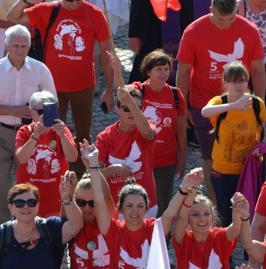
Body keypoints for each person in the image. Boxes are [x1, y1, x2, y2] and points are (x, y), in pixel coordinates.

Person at [8, 0, 114, 177]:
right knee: (53, 133)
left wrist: (109, 90)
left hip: (84, 86)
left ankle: (78, 179)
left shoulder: (95, 14)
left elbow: (107, 55)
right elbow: (12, 18)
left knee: (83, 136)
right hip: (52, 89)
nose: (74, 4)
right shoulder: (48, 10)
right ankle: (56, 176)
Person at [176, 0, 266, 205]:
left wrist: (258, 104)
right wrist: (182, 105)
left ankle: (245, 199)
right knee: (211, 157)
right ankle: (216, 204)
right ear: (210, 11)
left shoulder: (249, 30)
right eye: (220, 19)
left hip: (241, 103)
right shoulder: (194, 31)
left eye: (232, 18)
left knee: (244, 152)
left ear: (238, 9)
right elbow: (184, 71)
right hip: (203, 102)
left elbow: (257, 70)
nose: (226, 24)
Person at [0, 25, 56, 224]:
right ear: (6, 45)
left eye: (24, 45)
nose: (20, 50)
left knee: (30, 182)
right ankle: (4, 227)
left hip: (32, 133)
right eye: (15, 46)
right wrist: (14, 111)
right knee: (0, 184)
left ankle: (32, 225)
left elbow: (51, 101)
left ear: (30, 46)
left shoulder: (40, 69)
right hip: (1, 132)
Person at [84, 141, 205, 266]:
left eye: (140, 206)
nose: (135, 210)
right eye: (129, 206)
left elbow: (170, 213)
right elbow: (99, 199)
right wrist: (93, 163)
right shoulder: (114, 231)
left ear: (147, 209)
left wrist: (184, 187)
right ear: (120, 209)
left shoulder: (153, 229)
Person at [200, 61, 266, 226]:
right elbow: (204, 112)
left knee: (249, 219)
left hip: (248, 172)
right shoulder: (219, 102)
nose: (239, 85)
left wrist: (260, 150)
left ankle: (249, 250)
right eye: (234, 81)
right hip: (223, 172)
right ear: (225, 83)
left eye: (242, 80)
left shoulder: (257, 104)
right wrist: (234, 105)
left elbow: (262, 133)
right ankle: (224, 251)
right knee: (224, 217)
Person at [0, 181, 84, 269]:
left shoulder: (50, 228)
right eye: (19, 203)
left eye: (31, 202)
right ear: (11, 208)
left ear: (37, 206)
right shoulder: (2, 234)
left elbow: (76, 225)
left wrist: (66, 198)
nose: (26, 207)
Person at [128, 51, 186, 215]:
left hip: (166, 159)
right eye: (158, 69)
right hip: (139, 157)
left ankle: (161, 237)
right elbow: (123, 94)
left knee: (162, 205)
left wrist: (183, 156)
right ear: (148, 71)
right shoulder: (138, 90)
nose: (163, 73)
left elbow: (181, 128)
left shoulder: (175, 94)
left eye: (166, 69)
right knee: (136, 201)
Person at [95, 82, 157, 213]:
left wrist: (129, 102)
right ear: (117, 110)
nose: (132, 112)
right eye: (127, 108)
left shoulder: (146, 127)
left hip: (146, 204)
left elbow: (148, 132)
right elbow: (93, 175)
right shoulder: (105, 137)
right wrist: (111, 170)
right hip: (117, 207)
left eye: (135, 108)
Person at [15, 91, 78, 217]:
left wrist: (62, 136)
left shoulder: (62, 131)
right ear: (31, 113)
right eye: (40, 112)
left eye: (48, 111)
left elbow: (73, 157)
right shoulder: (25, 131)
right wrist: (35, 136)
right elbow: (22, 158)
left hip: (56, 199)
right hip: (30, 201)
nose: (44, 116)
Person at [173, 192, 245, 268]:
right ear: (187, 219)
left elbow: (236, 228)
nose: (202, 219)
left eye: (206, 214)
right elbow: (181, 218)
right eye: (195, 214)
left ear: (212, 216)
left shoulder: (219, 237)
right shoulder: (183, 240)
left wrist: (237, 209)